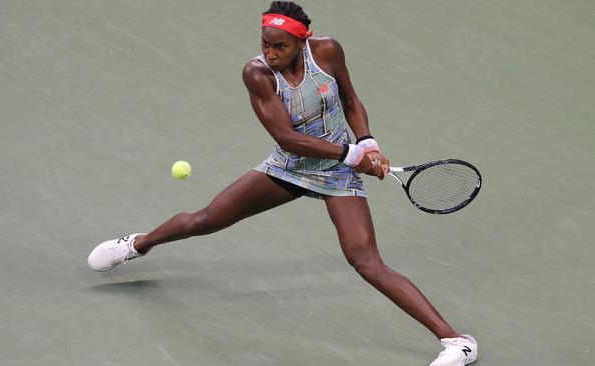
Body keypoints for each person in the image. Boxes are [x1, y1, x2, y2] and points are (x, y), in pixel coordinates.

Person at [87, 2, 478, 365]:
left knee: (365, 261)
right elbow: (288, 139)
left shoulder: (328, 52)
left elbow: (351, 99)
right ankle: (138, 245)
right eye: (265, 44)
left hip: (337, 174)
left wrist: (368, 142)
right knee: (205, 219)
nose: (270, 53)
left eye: (280, 46)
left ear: (301, 41)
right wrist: (352, 155)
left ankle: (456, 341)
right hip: (289, 166)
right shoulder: (256, 74)